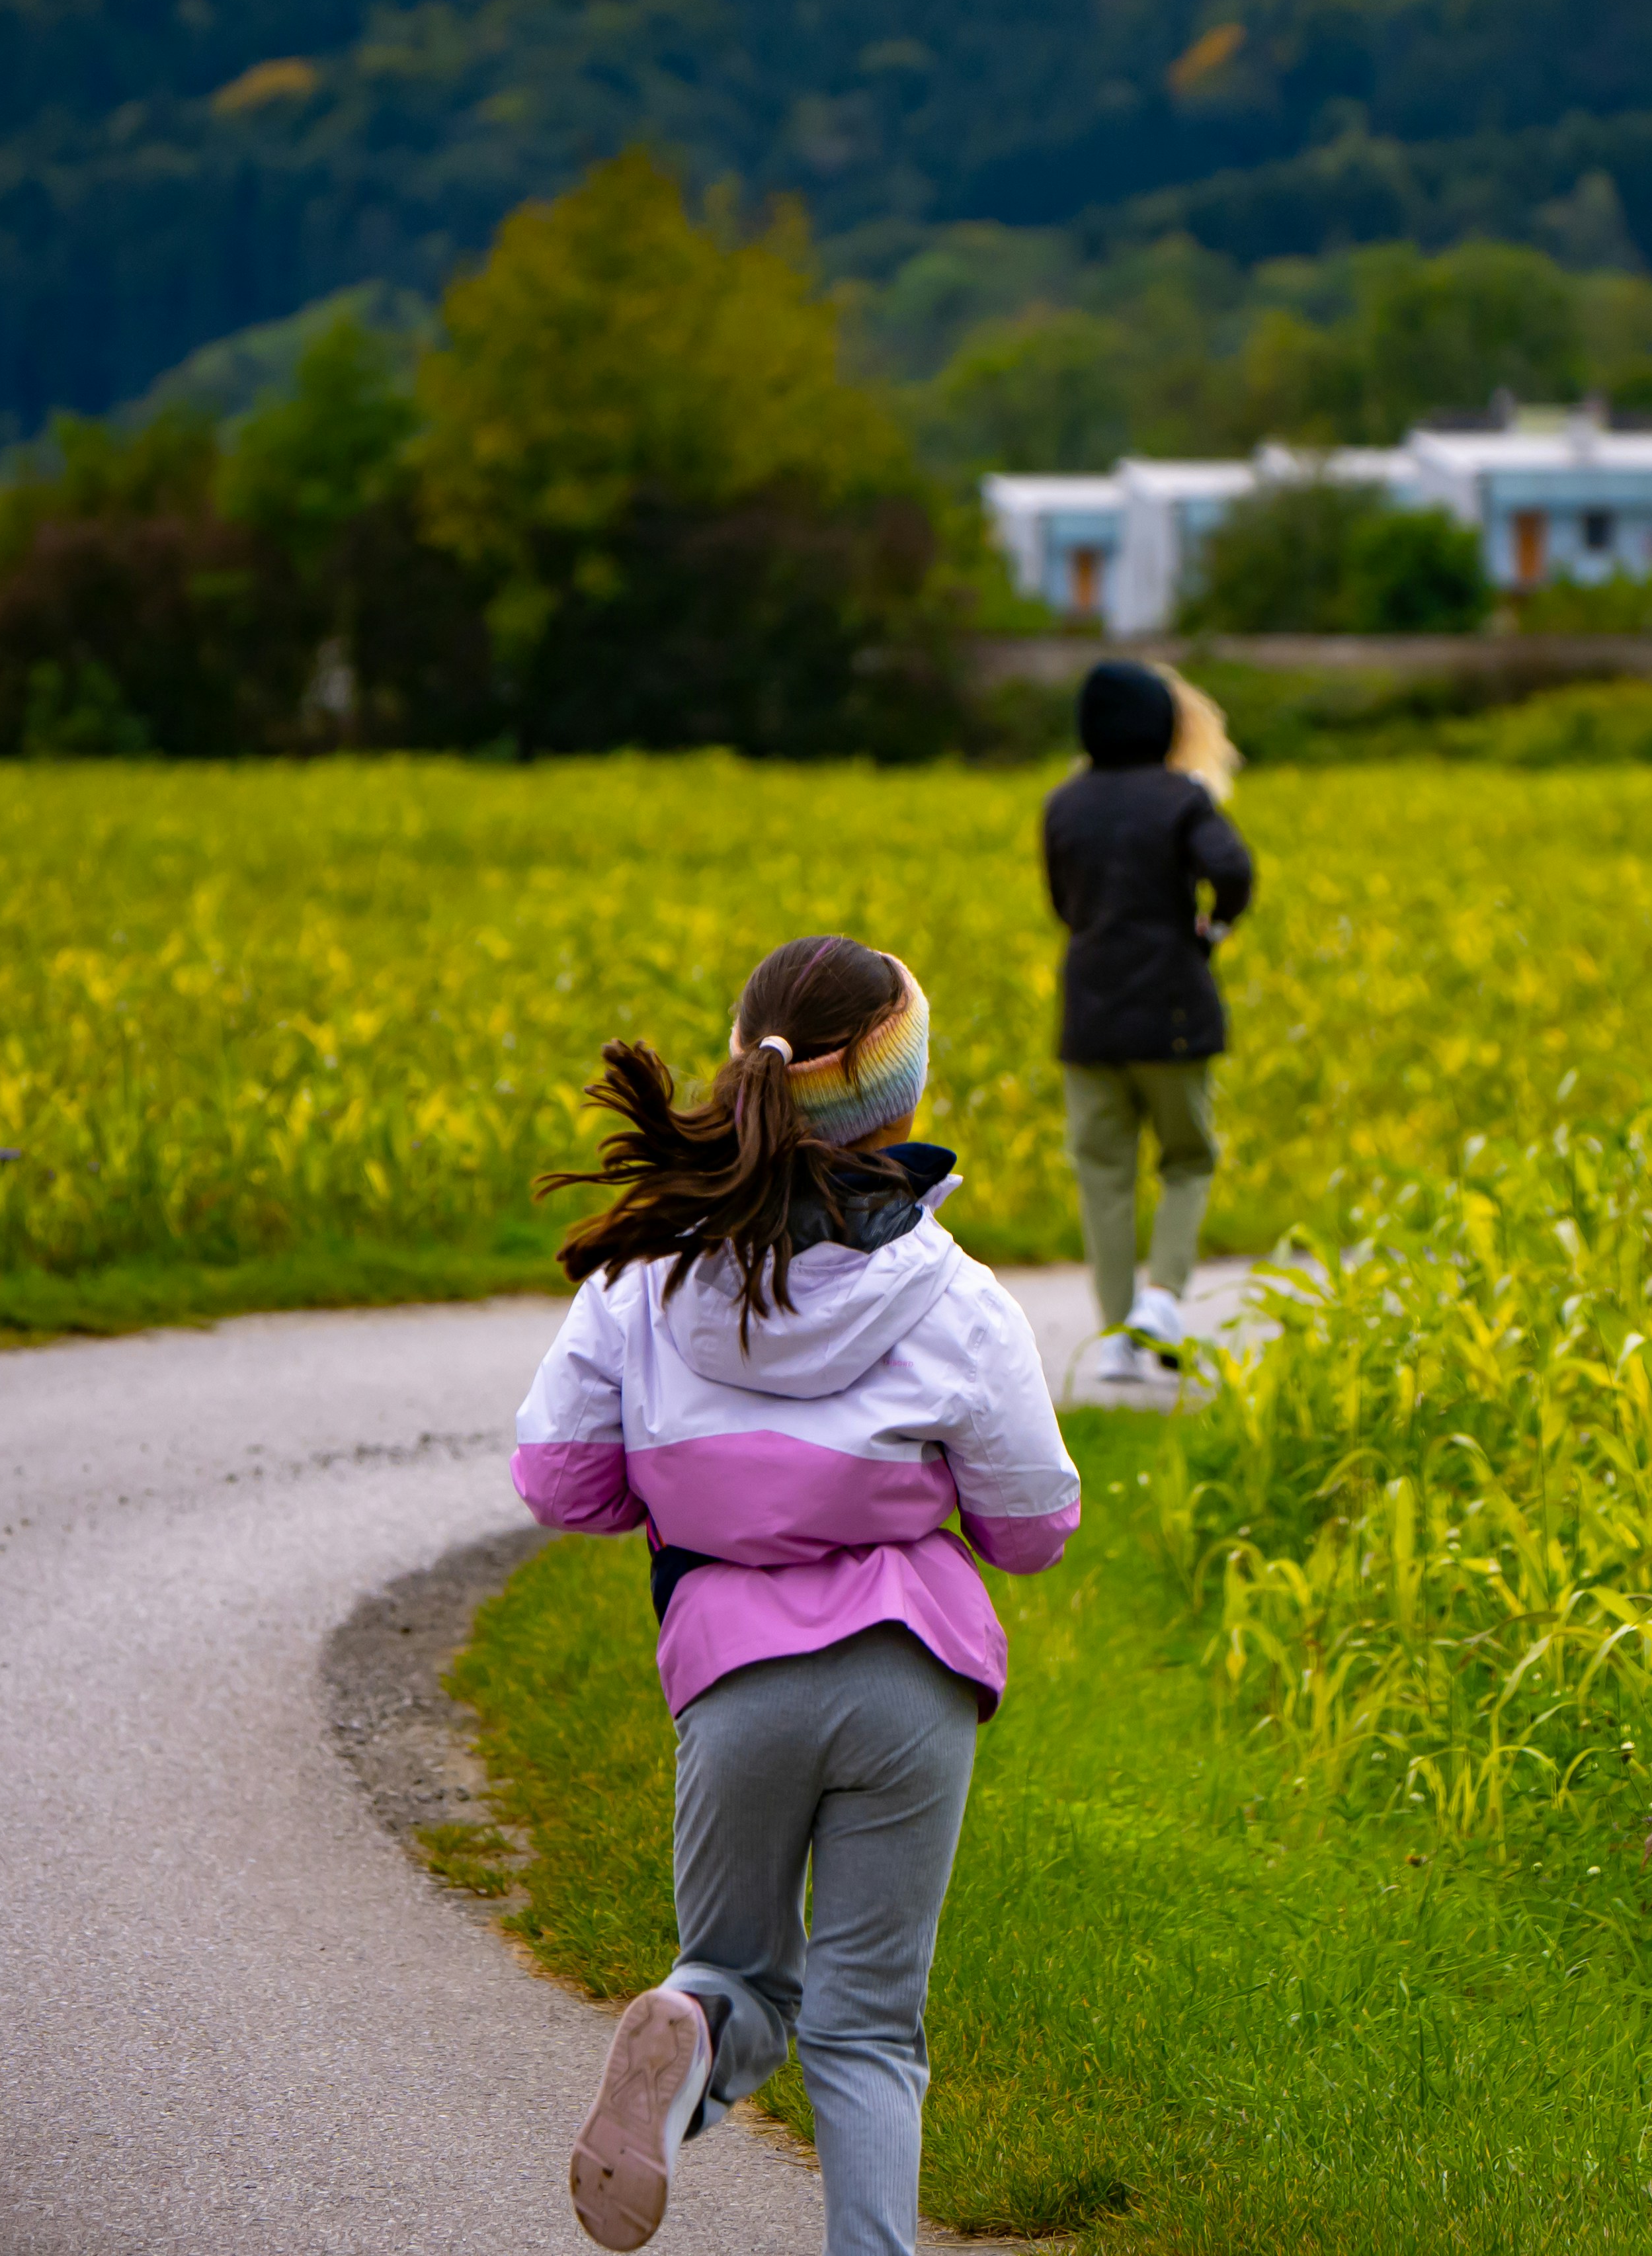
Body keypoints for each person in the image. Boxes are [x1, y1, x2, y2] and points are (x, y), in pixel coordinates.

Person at [510, 935, 1079, 2255]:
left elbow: (556, 1478)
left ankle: (694, 2031)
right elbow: (1036, 1523)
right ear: (901, 1094)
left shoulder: (647, 1277)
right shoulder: (955, 1295)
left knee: (738, 1973)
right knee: (871, 2021)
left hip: (733, 1678)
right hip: (911, 1682)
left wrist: (674, 1503)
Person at [1042, 659, 1255, 1384]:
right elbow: (1234, 870)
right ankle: (1162, 1298)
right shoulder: (1181, 799)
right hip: (1173, 1009)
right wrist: (1211, 928)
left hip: (1090, 1014)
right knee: (1187, 1157)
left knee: (1104, 1172)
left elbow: (1063, 905)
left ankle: (1113, 1335)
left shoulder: (1063, 805)